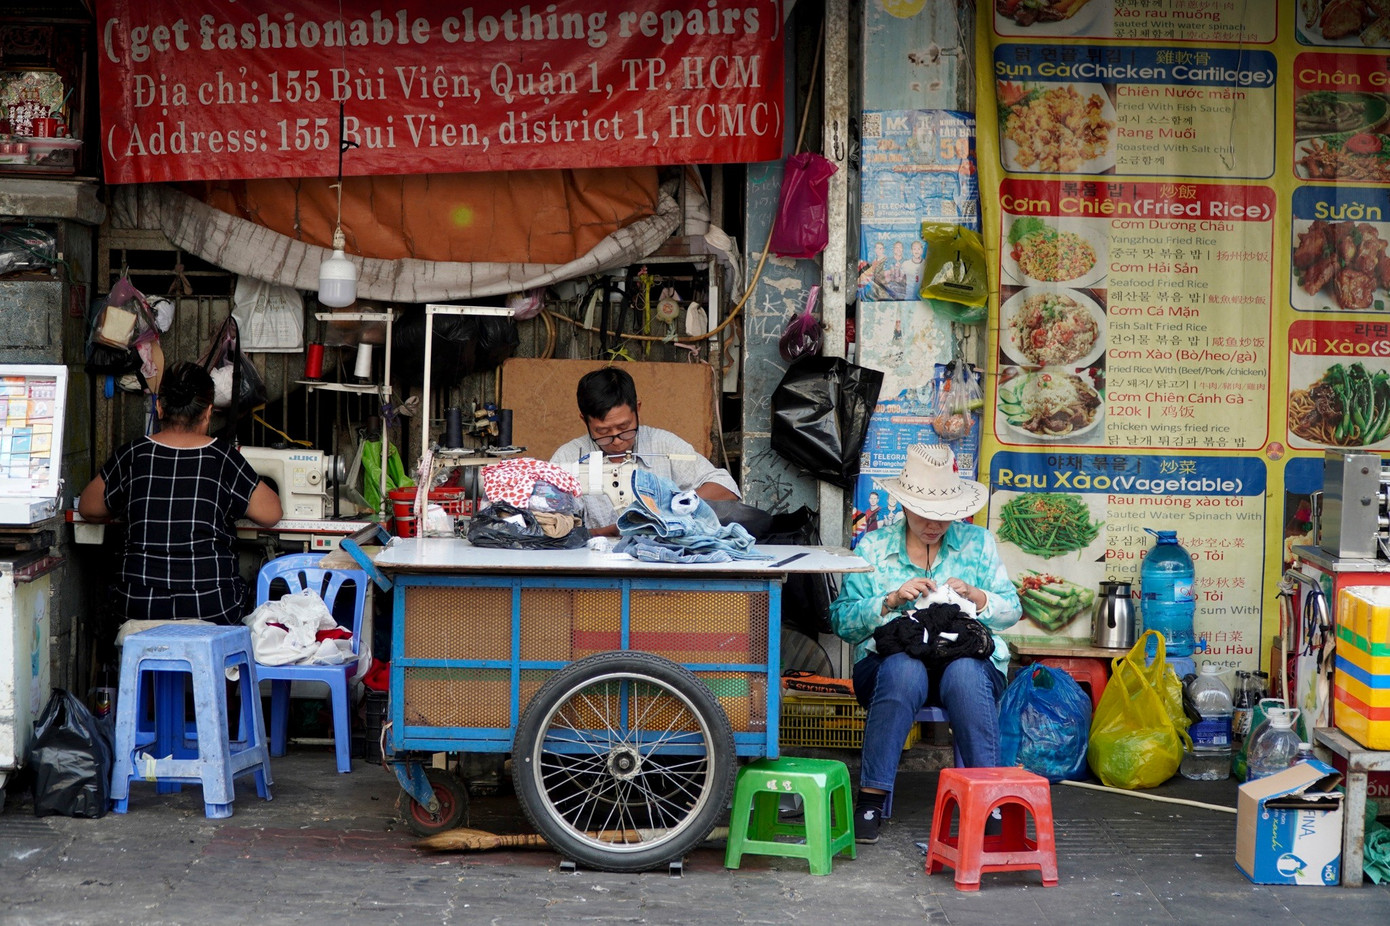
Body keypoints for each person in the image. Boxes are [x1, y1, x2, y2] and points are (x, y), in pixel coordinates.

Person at [830, 443, 1021, 844]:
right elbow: (843, 623)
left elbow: (1012, 612)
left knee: (967, 674)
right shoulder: (874, 548)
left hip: (965, 663)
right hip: (888, 669)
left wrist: (977, 596)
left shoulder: (978, 543)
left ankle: (988, 799)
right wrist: (891, 600)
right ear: (902, 505)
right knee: (902, 669)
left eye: (944, 516)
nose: (934, 525)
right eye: (923, 514)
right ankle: (871, 796)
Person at [78, 361, 282, 626]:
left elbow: (88, 507)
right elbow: (271, 514)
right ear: (208, 413)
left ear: (160, 407)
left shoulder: (133, 455)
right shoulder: (222, 458)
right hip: (212, 608)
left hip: (140, 608)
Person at [550, 367, 740, 537]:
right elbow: (548, 526)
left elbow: (726, 488)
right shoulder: (568, 459)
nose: (617, 441)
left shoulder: (664, 445)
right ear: (584, 420)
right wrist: (607, 531)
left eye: (625, 427)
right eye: (603, 432)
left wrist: (667, 509)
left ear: (637, 409)